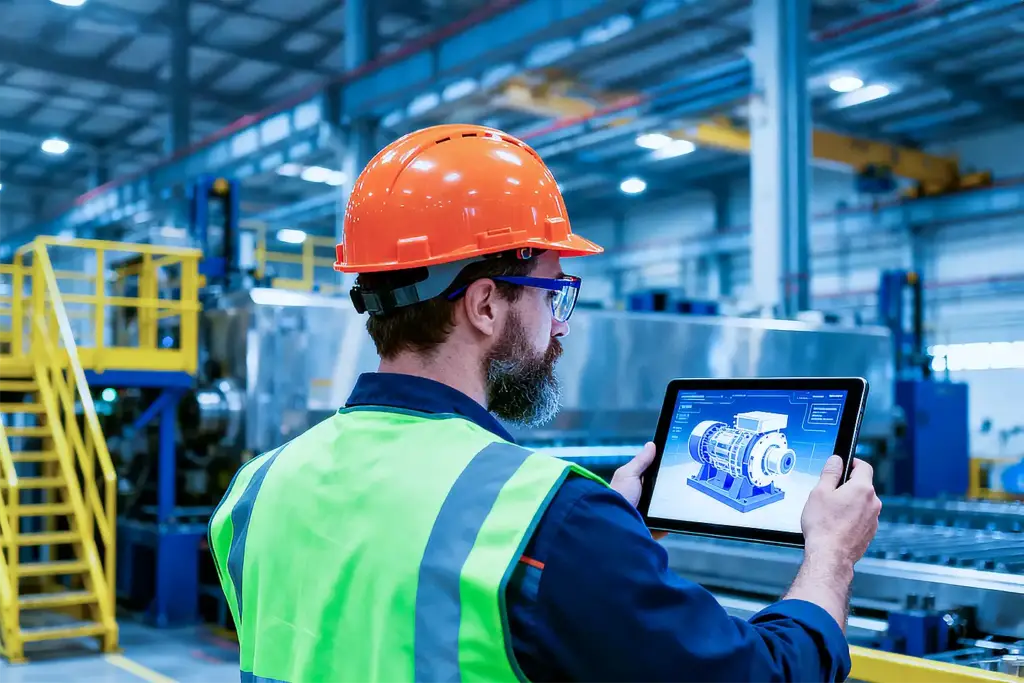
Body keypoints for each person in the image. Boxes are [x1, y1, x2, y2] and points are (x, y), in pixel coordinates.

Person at [208, 123, 882, 683]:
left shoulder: (254, 491)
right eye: (552, 293)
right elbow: (759, 676)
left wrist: (606, 538)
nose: (561, 324)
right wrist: (831, 555)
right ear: (485, 303)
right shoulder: (546, 519)